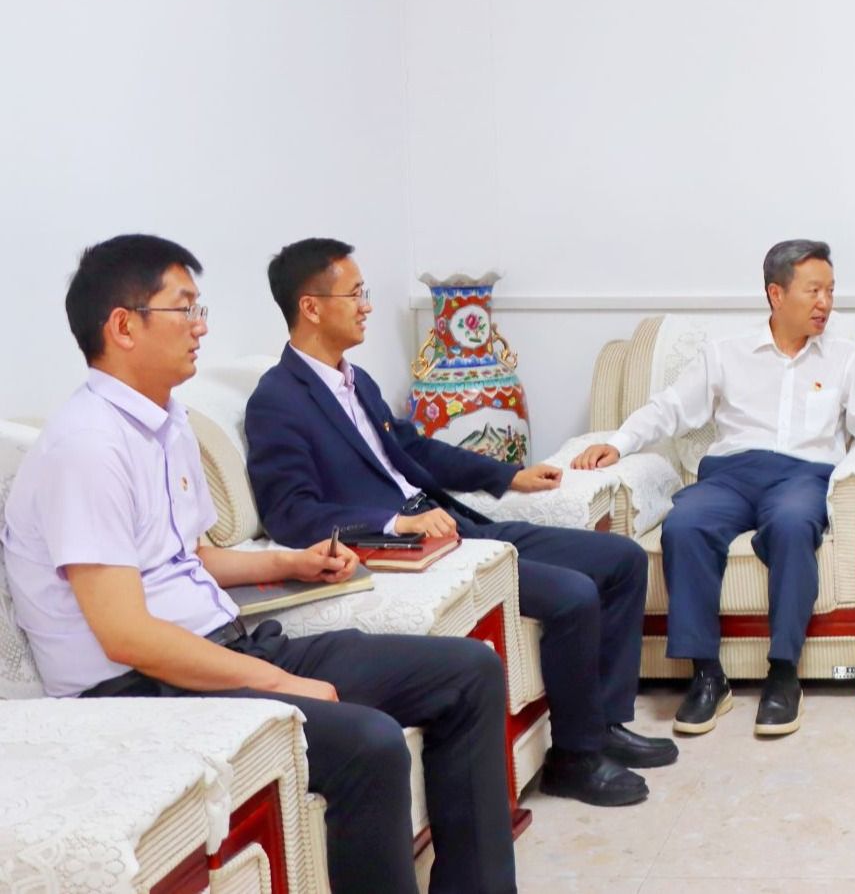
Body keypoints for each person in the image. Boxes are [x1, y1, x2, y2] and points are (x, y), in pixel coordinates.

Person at [0, 235, 516, 894]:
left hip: (220, 647)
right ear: (123, 326)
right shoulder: (87, 447)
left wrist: (292, 561)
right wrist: (279, 682)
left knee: (468, 671)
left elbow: (185, 558)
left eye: (200, 308)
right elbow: (126, 635)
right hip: (141, 687)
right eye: (184, 308)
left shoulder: (166, 421)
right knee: (370, 742)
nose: (201, 326)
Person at [244, 238, 674, 809]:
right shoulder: (277, 400)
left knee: (621, 560)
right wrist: (394, 523)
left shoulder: (357, 382)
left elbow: (417, 451)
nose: (367, 305)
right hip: (412, 548)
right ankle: (574, 758)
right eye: (355, 294)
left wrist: (509, 476)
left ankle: (605, 724)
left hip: (455, 526)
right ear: (311, 307)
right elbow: (289, 513)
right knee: (572, 594)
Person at [570, 239, 855, 737]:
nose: (825, 303)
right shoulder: (726, 354)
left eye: (831, 291)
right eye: (813, 291)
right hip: (730, 475)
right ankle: (707, 676)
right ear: (776, 294)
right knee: (685, 525)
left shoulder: (845, 357)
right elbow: (669, 409)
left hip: (803, 475)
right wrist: (617, 443)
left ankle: (783, 673)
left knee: (793, 525)